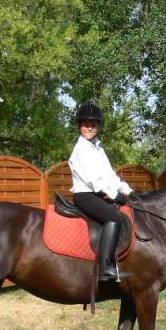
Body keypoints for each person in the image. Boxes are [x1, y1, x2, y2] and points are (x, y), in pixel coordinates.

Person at [69, 101, 137, 281]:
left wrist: (127, 191)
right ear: (79, 126)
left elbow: (109, 175)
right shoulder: (81, 149)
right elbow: (95, 181)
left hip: (95, 194)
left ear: (98, 126)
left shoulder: (98, 148)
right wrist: (116, 195)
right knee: (114, 218)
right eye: (85, 124)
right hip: (85, 195)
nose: (89, 128)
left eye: (93, 124)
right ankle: (104, 268)